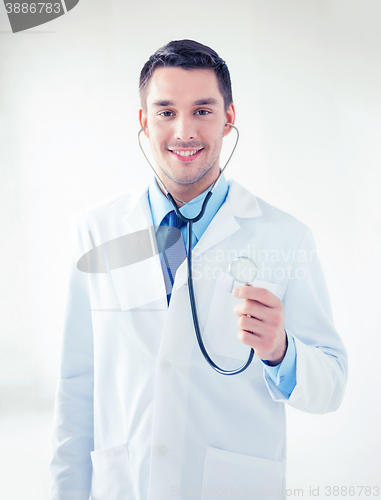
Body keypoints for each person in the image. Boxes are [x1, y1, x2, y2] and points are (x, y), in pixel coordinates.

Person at [49, 39, 347, 500]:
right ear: (144, 121)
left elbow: (330, 387)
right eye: (166, 111)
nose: (184, 131)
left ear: (229, 118)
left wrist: (281, 351)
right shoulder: (98, 231)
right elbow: (76, 390)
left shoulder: (284, 237)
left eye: (202, 111)